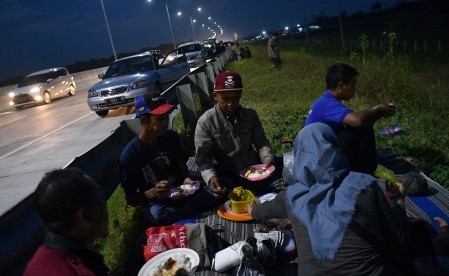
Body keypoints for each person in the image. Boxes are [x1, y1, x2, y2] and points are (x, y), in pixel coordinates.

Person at [250, 123, 411, 275]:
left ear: (299, 155)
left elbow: (259, 212)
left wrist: (252, 209)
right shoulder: (365, 185)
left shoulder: (290, 196)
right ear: (335, 149)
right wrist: (398, 202)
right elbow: (399, 241)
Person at [119, 94, 222, 226]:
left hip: (182, 191)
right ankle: (193, 208)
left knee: (223, 184)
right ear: (144, 120)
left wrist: (186, 179)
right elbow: (131, 199)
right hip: (159, 202)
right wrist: (153, 193)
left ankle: (186, 210)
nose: (166, 123)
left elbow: (183, 167)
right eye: (160, 119)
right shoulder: (130, 156)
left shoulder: (171, 137)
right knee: (156, 215)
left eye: (167, 117)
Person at [194, 71, 276, 196]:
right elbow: (204, 158)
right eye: (225, 99)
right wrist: (211, 177)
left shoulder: (250, 115)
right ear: (215, 96)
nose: (231, 104)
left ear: (240, 94)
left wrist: (267, 160)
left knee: (284, 175)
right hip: (227, 176)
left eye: (235, 98)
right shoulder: (206, 122)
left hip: (253, 171)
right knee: (220, 194)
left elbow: (261, 142)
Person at [304, 63, 395, 175]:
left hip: (318, 152)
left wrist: (376, 111)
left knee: (357, 125)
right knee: (362, 128)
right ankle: (367, 171)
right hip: (318, 158)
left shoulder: (325, 101)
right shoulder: (327, 103)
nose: (354, 89)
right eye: (353, 85)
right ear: (342, 85)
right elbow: (357, 120)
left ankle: (363, 169)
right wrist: (379, 110)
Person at [23, 168, 109, 276]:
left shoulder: (41, 260)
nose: (105, 204)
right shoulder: (76, 271)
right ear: (85, 216)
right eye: (101, 199)